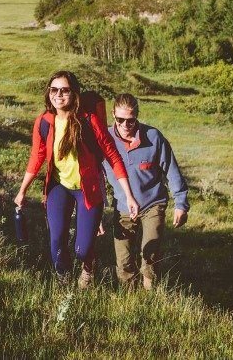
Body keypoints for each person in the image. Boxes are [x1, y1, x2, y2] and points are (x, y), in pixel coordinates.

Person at [14, 71, 140, 287]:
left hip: (87, 189)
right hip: (58, 187)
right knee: (56, 244)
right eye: (54, 90)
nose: (59, 94)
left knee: (83, 249)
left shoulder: (89, 121)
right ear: (48, 93)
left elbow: (112, 155)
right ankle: (63, 279)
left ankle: (88, 266)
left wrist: (129, 195)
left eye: (64, 90)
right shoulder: (44, 122)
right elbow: (37, 157)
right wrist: (22, 191)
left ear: (74, 93)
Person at [101, 93, 189, 290]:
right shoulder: (104, 141)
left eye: (130, 120)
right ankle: (130, 299)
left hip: (152, 204)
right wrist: (96, 212)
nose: (125, 125)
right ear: (113, 115)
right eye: (120, 120)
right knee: (123, 260)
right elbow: (95, 178)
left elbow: (172, 171)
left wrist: (181, 204)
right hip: (122, 207)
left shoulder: (153, 137)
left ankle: (150, 294)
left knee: (149, 254)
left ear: (137, 116)